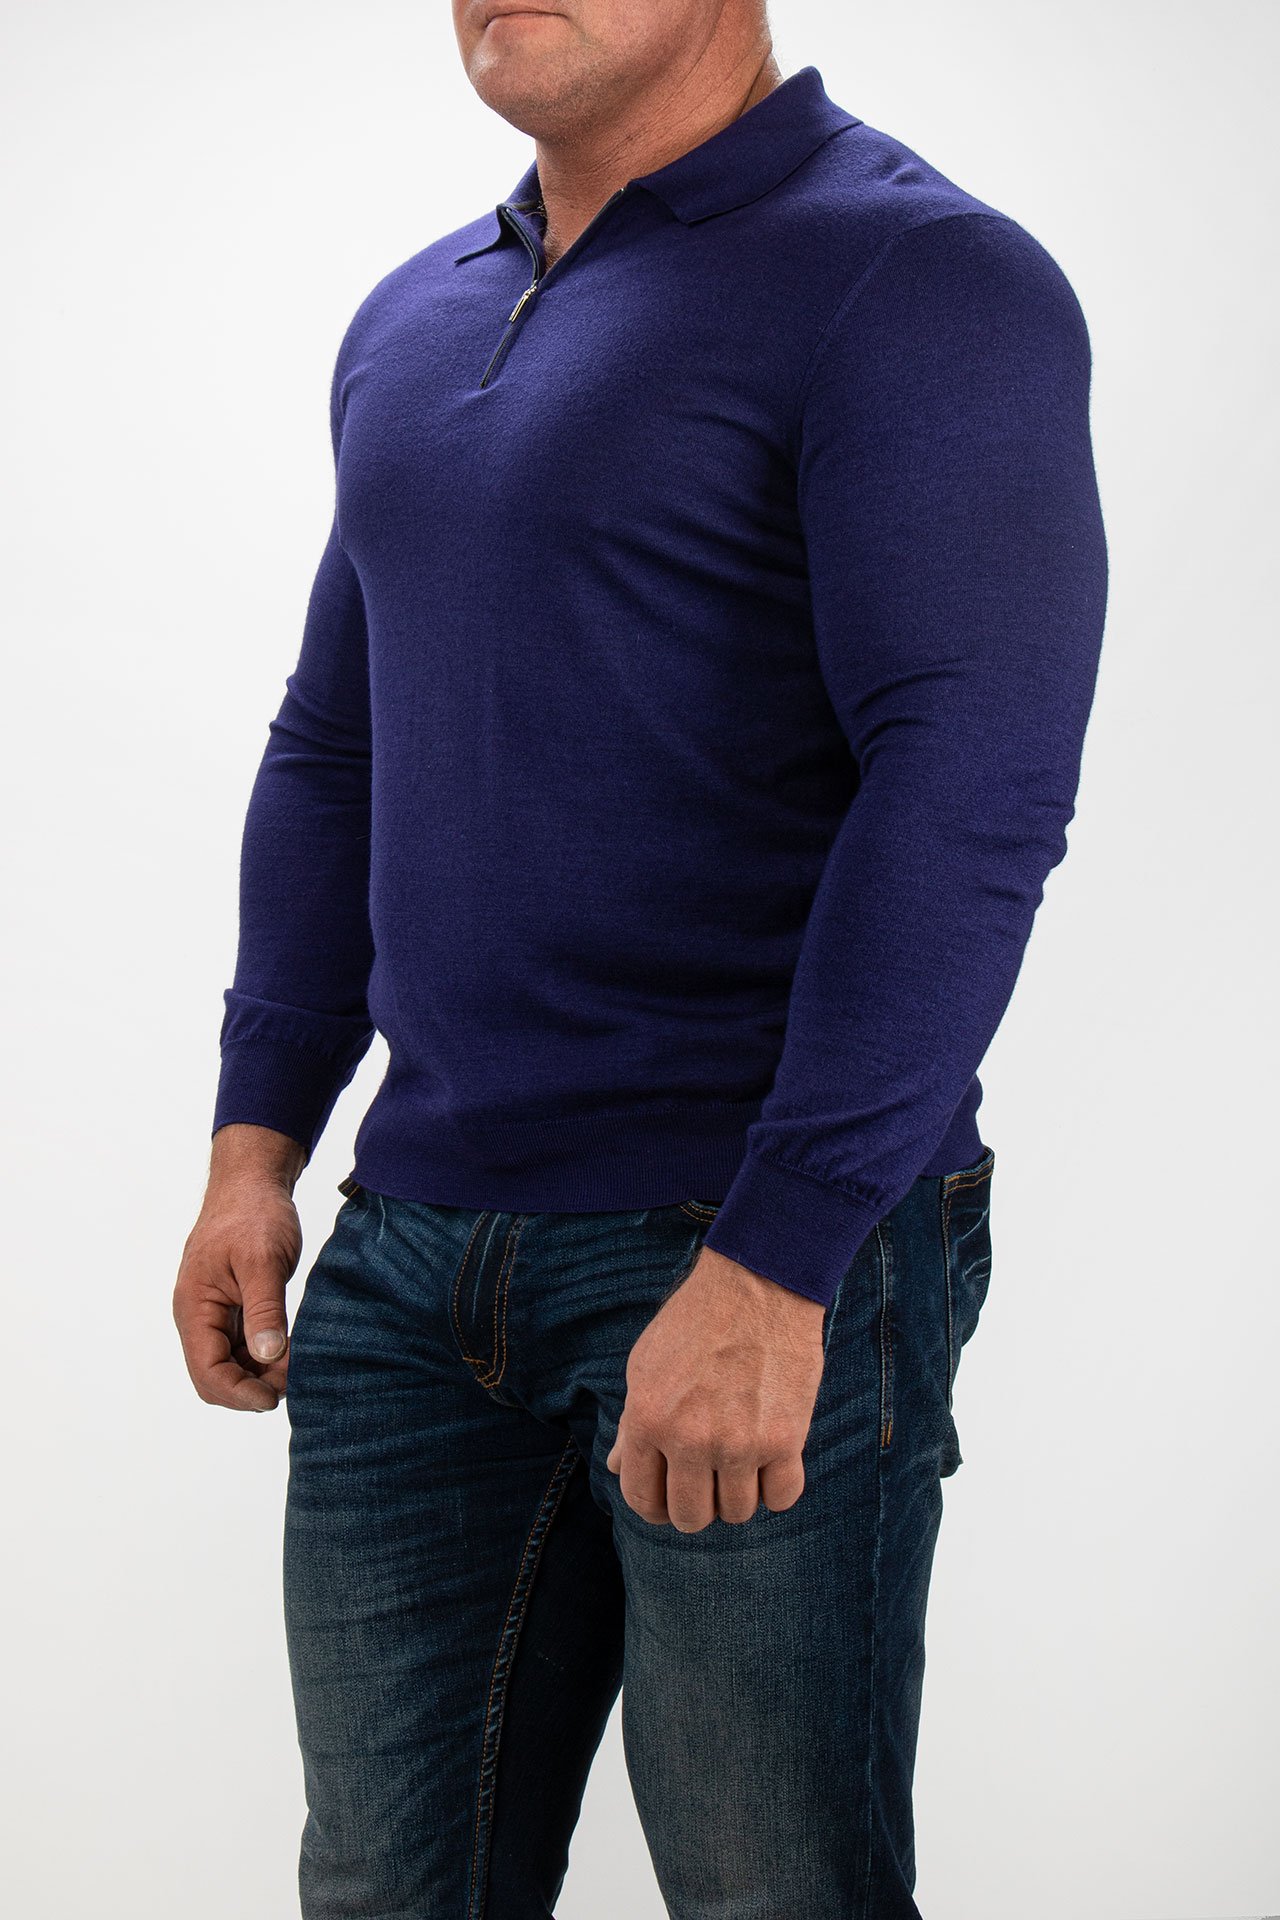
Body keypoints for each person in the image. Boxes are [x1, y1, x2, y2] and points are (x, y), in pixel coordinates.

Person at [173, 2, 1108, 1913]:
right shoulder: (416, 315)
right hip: (411, 1253)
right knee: (384, 1892)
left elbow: (970, 791)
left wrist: (781, 1254)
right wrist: (255, 1144)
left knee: (775, 1892)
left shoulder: (918, 278)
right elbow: (337, 742)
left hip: (748, 1238)